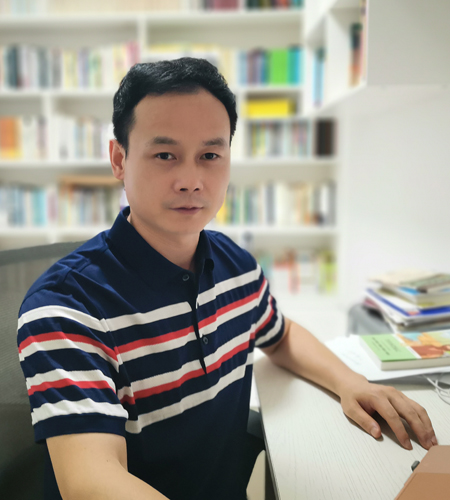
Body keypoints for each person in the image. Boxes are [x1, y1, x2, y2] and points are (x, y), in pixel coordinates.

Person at [17, 57, 438, 500]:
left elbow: (280, 335)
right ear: (119, 159)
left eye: (210, 155)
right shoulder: (65, 307)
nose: (191, 180)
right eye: (165, 155)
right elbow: (90, 482)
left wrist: (352, 383)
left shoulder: (234, 263)